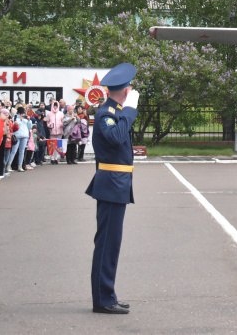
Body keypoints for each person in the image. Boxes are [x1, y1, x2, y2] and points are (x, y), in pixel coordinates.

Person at [86, 62, 139, 315]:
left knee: (112, 243)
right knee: (107, 243)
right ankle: (103, 300)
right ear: (126, 91)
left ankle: (108, 294)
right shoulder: (106, 113)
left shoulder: (114, 110)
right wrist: (129, 110)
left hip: (117, 184)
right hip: (110, 184)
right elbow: (117, 137)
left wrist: (125, 110)